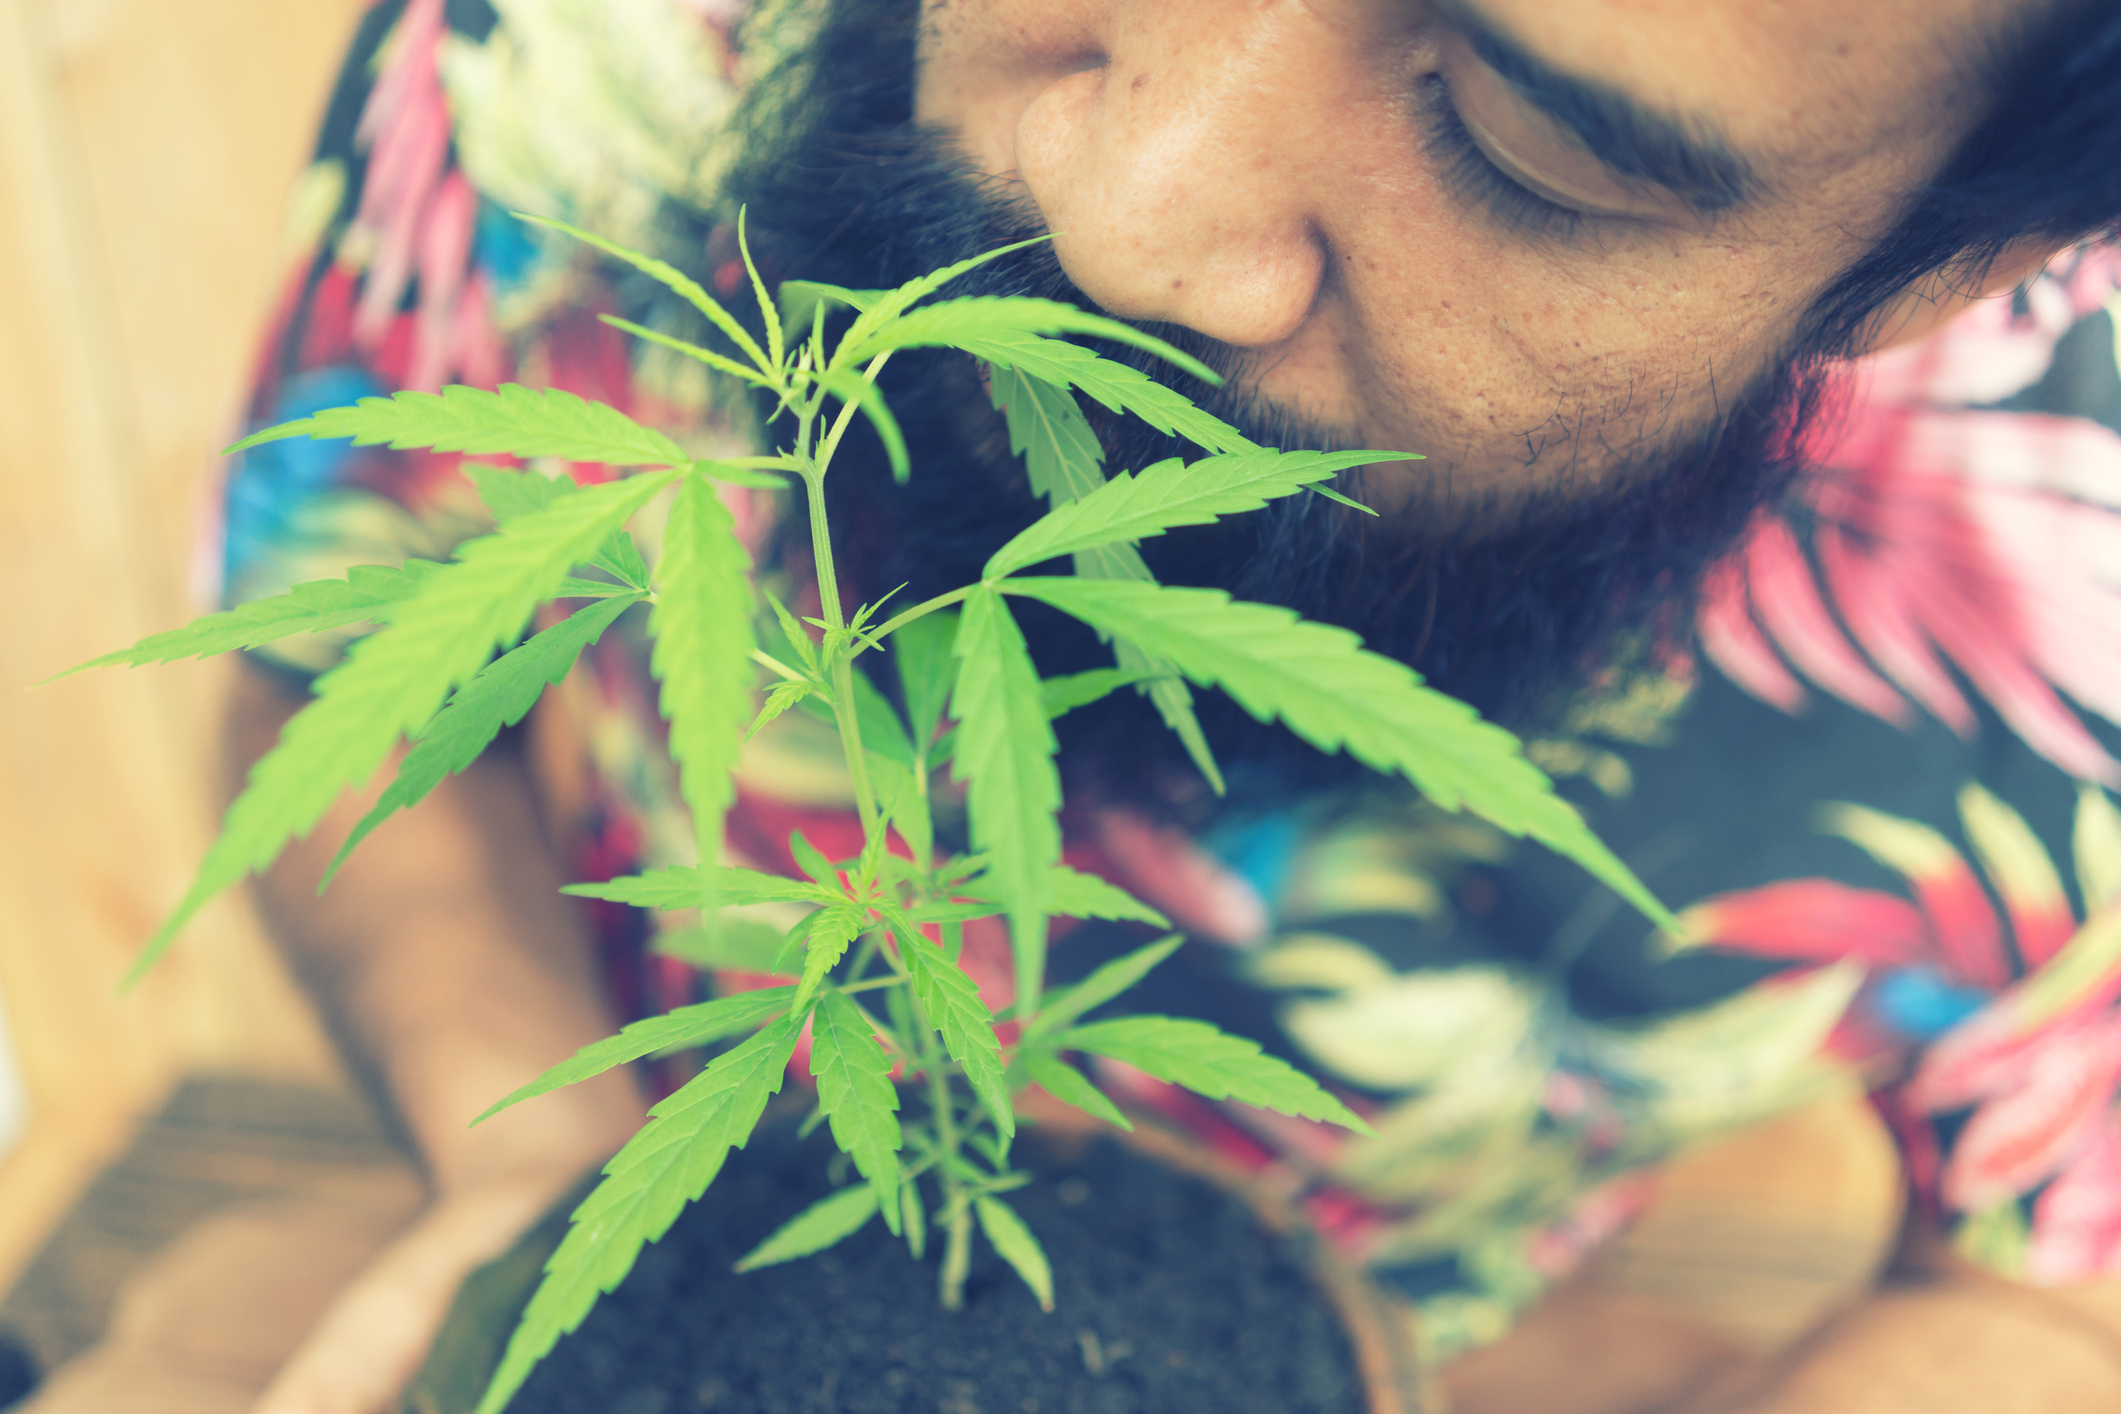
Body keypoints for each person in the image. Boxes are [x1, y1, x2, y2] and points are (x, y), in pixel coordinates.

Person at [209, 0, 2121, 1410]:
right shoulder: (588, 57)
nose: (1122, 216)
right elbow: (342, 638)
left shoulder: (2057, 553)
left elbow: (2069, 1276)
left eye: (1520, 148)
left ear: (1951, 256)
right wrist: (535, 1174)